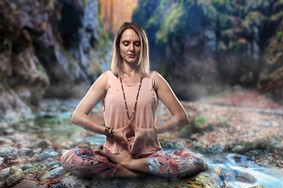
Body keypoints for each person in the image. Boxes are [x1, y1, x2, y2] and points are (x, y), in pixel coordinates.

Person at [60, 22, 207, 178]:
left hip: (150, 157)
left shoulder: (154, 79)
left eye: (137, 44)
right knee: (69, 158)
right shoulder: (107, 79)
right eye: (126, 43)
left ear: (143, 47)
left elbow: (181, 117)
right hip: (112, 155)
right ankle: (140, 173)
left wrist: (151, 132)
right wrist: (109, 132)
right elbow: (77, 116)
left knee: (194, 162)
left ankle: (129, 166)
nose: (131, 49)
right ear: (118, 47)